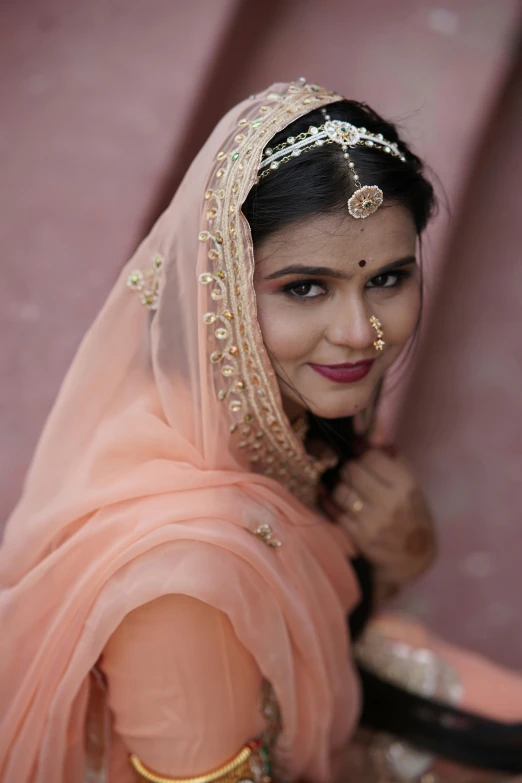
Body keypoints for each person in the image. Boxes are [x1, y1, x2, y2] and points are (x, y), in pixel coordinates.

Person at [1, 79, 521, 783]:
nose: (357, 333)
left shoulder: (252, 404)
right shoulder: (184, 587)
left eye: (389, 279)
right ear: (220, 286)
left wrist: (393, 560)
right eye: (306, 287)